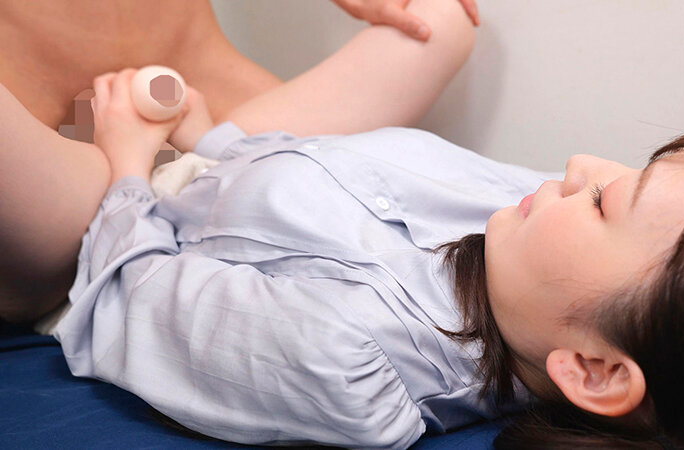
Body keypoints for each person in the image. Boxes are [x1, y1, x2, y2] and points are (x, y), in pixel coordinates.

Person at [59, 66, 684, 448]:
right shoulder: (526, 223)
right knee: (438, 20)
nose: (581, 165)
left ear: (595, 370)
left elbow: (134, 298)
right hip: (226, 154)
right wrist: (215, 140)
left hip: (108, 234)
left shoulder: (350, 362)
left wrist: (126, 164)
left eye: (607, 202)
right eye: (628, 170)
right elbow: (338, 170)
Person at [0, 0, 479, 324]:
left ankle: (198, 184)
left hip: (208, 104)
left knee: (441, 17)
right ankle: (133, 216)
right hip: (60, 173)